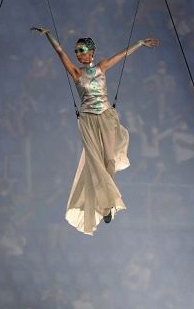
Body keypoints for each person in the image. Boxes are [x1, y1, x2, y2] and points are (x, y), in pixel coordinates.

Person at [31, 25, 158, 235]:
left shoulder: (101, 67)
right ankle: (106, 202)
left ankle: (106, 203)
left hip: (107, 117)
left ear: (91, 52)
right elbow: (60, 52)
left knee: (109, 160)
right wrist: (48, 35)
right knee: (95, 162)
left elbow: (122, 55)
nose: (78, 54)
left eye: (81, 50)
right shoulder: (75, 72)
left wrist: (140, 44)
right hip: (88, 120)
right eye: (76, 51)